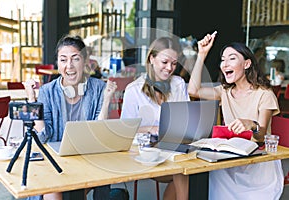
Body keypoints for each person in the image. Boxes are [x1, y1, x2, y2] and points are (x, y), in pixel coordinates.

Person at [188, 32, 284, 199]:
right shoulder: (224, 91)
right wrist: (202, 54)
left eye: (231, 58)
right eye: (223, 59)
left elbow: (261, 137)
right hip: (230, 159)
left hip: (258, 164)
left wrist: (252, 125)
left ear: (247, 64)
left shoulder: (264, 94)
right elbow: (193, 90)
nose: (225, 64)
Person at [24, 35, 117, 200]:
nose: (69, 66)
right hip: (54, 161)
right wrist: (32, 100)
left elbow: (98, 133)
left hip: (87, 160)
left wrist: (106, 100)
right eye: (63, 60)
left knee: (102, 174)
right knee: (53, 190)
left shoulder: (98, 88)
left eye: (75, 59)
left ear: (85, 62)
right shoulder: (47, 91)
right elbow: (43, 135)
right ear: (58, 63)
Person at [120, 37, 189, 200]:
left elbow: (187, 118)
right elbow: (124, 130)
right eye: (165, 62)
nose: (170, 68)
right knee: (183, 168)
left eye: (173, 63)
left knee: (187, 165)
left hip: (173, 148)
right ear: (152, 58)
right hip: (146, 153)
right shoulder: (134, 90)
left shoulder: (178, 84)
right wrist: (151, 129)